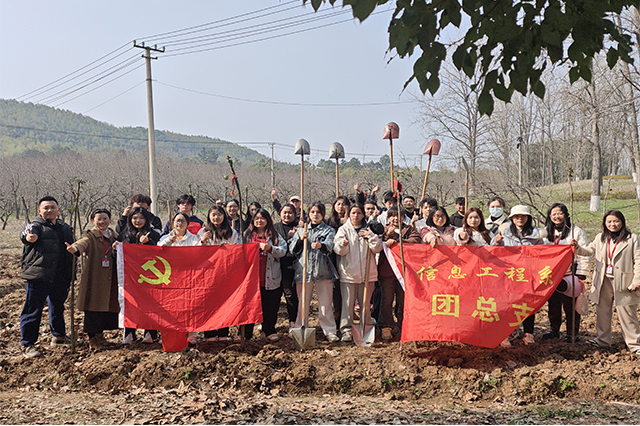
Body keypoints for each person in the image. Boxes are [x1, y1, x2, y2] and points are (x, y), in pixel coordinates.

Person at [570, 210, 640, 353]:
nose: (613, 224)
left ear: (622, 222)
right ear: (605, 223)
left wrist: (637, 281)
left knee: (627, 313)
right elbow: (588, 251)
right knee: (602, 312)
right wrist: (576, 247)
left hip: (625, 282)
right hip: (603, 281)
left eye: (616, 221)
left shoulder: (632, 239)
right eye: (609, 221)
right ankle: (602, 340)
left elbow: (638, 261)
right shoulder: (600, 238)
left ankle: (634, 344)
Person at [20, 196, 74, 358]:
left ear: (58, 210)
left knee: (58, 307)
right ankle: (28, 344)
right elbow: (26, 234)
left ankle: (59, 336)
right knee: (32, 309)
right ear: (39, 211)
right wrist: (29, 238)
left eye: (52, 207)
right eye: (46, 208)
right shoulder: (35, 226)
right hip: (39, 275)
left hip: (61, 275)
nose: (49, 210)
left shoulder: (65, 227)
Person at [66, 208, 119, 350]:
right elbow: (82, 243)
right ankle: (92, 338)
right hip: (95, 279)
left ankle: (100, 336)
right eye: (99, 219)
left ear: (110, 219)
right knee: (93, 308)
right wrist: (75, 248)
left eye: (105, 218)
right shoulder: (90, 236)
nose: (102, 222)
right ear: (92, 220)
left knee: (107, 307)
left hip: (111, 279)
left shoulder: (114, 236)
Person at [492, 205, 544, 346]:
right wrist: (496, 242)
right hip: (509, 274)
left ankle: (529, 333)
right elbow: (493, 251)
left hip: (528, 274)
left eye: (522, 216)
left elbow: (542, 251)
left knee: (528, 304)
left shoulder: (536, 234)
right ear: (512, 218)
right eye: (516, 216)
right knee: (508, 303)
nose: (520, 219)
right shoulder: (505, 231)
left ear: (528, 218)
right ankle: (506, 333)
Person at [289, 202, 340, 342]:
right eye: (312, 212)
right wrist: (300, 239)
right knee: (302, 303)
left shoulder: (329, 230)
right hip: (303, 271)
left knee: (325, 304)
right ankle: (300, 328)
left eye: (318, 212)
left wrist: (320, 246)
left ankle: (329, 331)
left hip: (323, 271)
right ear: (308, 214)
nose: (315, 215)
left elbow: (330, 245)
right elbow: (292, 250)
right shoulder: (301, 230)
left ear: (323, 214)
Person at [333, 204, 383, 342]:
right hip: (348, 273)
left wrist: (370, 236)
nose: (356, 216)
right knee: (347, 304)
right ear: (349, 214)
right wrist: (343, 244)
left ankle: (365, 326)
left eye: (359, 213)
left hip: (368, 273)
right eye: (353, 213)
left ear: (363, 214)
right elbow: (338, 250)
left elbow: (377, 248)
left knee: (365, 304)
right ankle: (346, 329)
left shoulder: (369, 229)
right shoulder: (343, 229)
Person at [541, 203, 589, 342]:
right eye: (554, 214)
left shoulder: (576, 232)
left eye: (560, 213)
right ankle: (554, 330)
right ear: (549, 216)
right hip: (551, 274)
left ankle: (572, 333)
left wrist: (581, 273)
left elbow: (584, 253)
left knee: (571, 305)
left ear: (566, 215)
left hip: (570, 273)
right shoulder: (545, 233)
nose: (557, 216)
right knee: (553, 304)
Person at [117, 207, 161, 344]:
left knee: (150, 303)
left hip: (149, 276)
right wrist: (116, 249)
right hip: (130, 277)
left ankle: (150, 333)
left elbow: (160, 253)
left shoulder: (153, 234)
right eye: (135, 218)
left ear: (147, 219)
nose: (138, 221)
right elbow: (118, 255)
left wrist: (148, 243)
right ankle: (129, 333)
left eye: (141, 218)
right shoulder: (124, 234)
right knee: (131, 303)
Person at [243, 209, 287, 341]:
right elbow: (240, 251)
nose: (259, 221)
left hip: (270, 276)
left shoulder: (274, 235)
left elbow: (283, 250)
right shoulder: (247, 235)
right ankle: (246, 333)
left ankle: (268, 330)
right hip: (252, 277)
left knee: (270, 305)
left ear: (268, 220)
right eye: (256, 218)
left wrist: (271, 248)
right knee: (249, 306)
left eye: (262, 218)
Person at [378, 207, 421, 340]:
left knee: (403, 300)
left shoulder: (409, 229)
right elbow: (378, 242)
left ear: (403, 217)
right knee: (387, 299)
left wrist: (399, 242)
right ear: (388, 217)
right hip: (387, 270)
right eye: (393, 216)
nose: (396, 219)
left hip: (405, 271)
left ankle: (403, 324)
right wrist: (388, 236)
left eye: (399, 216)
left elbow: (416, 240)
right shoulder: (383, 229)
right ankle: (386, 326)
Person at [198, 205, 239, 341]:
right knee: (208, 303)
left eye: (219, 214)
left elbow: (235, 251)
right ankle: (209, 333)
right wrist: (203, 241)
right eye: (213, 215)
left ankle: (223, 333)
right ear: (209, 216)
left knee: (224, 302)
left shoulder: (232, 232)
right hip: (207, 273)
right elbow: (196, 253)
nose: (216, 217)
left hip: (225, 272)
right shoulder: (202, 231)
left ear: (224, 216)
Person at [274, 204, 299, 330]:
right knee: (274, 297)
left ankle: (293, 321)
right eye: (285, 212)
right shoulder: (274, 228)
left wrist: (294, 236)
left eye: (290, 212)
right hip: (275, 266)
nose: (287, 215)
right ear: (280, 213)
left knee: (290, 296)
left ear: (295, 214)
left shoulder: (299, 227)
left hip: (291, 266)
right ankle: (269, 325)